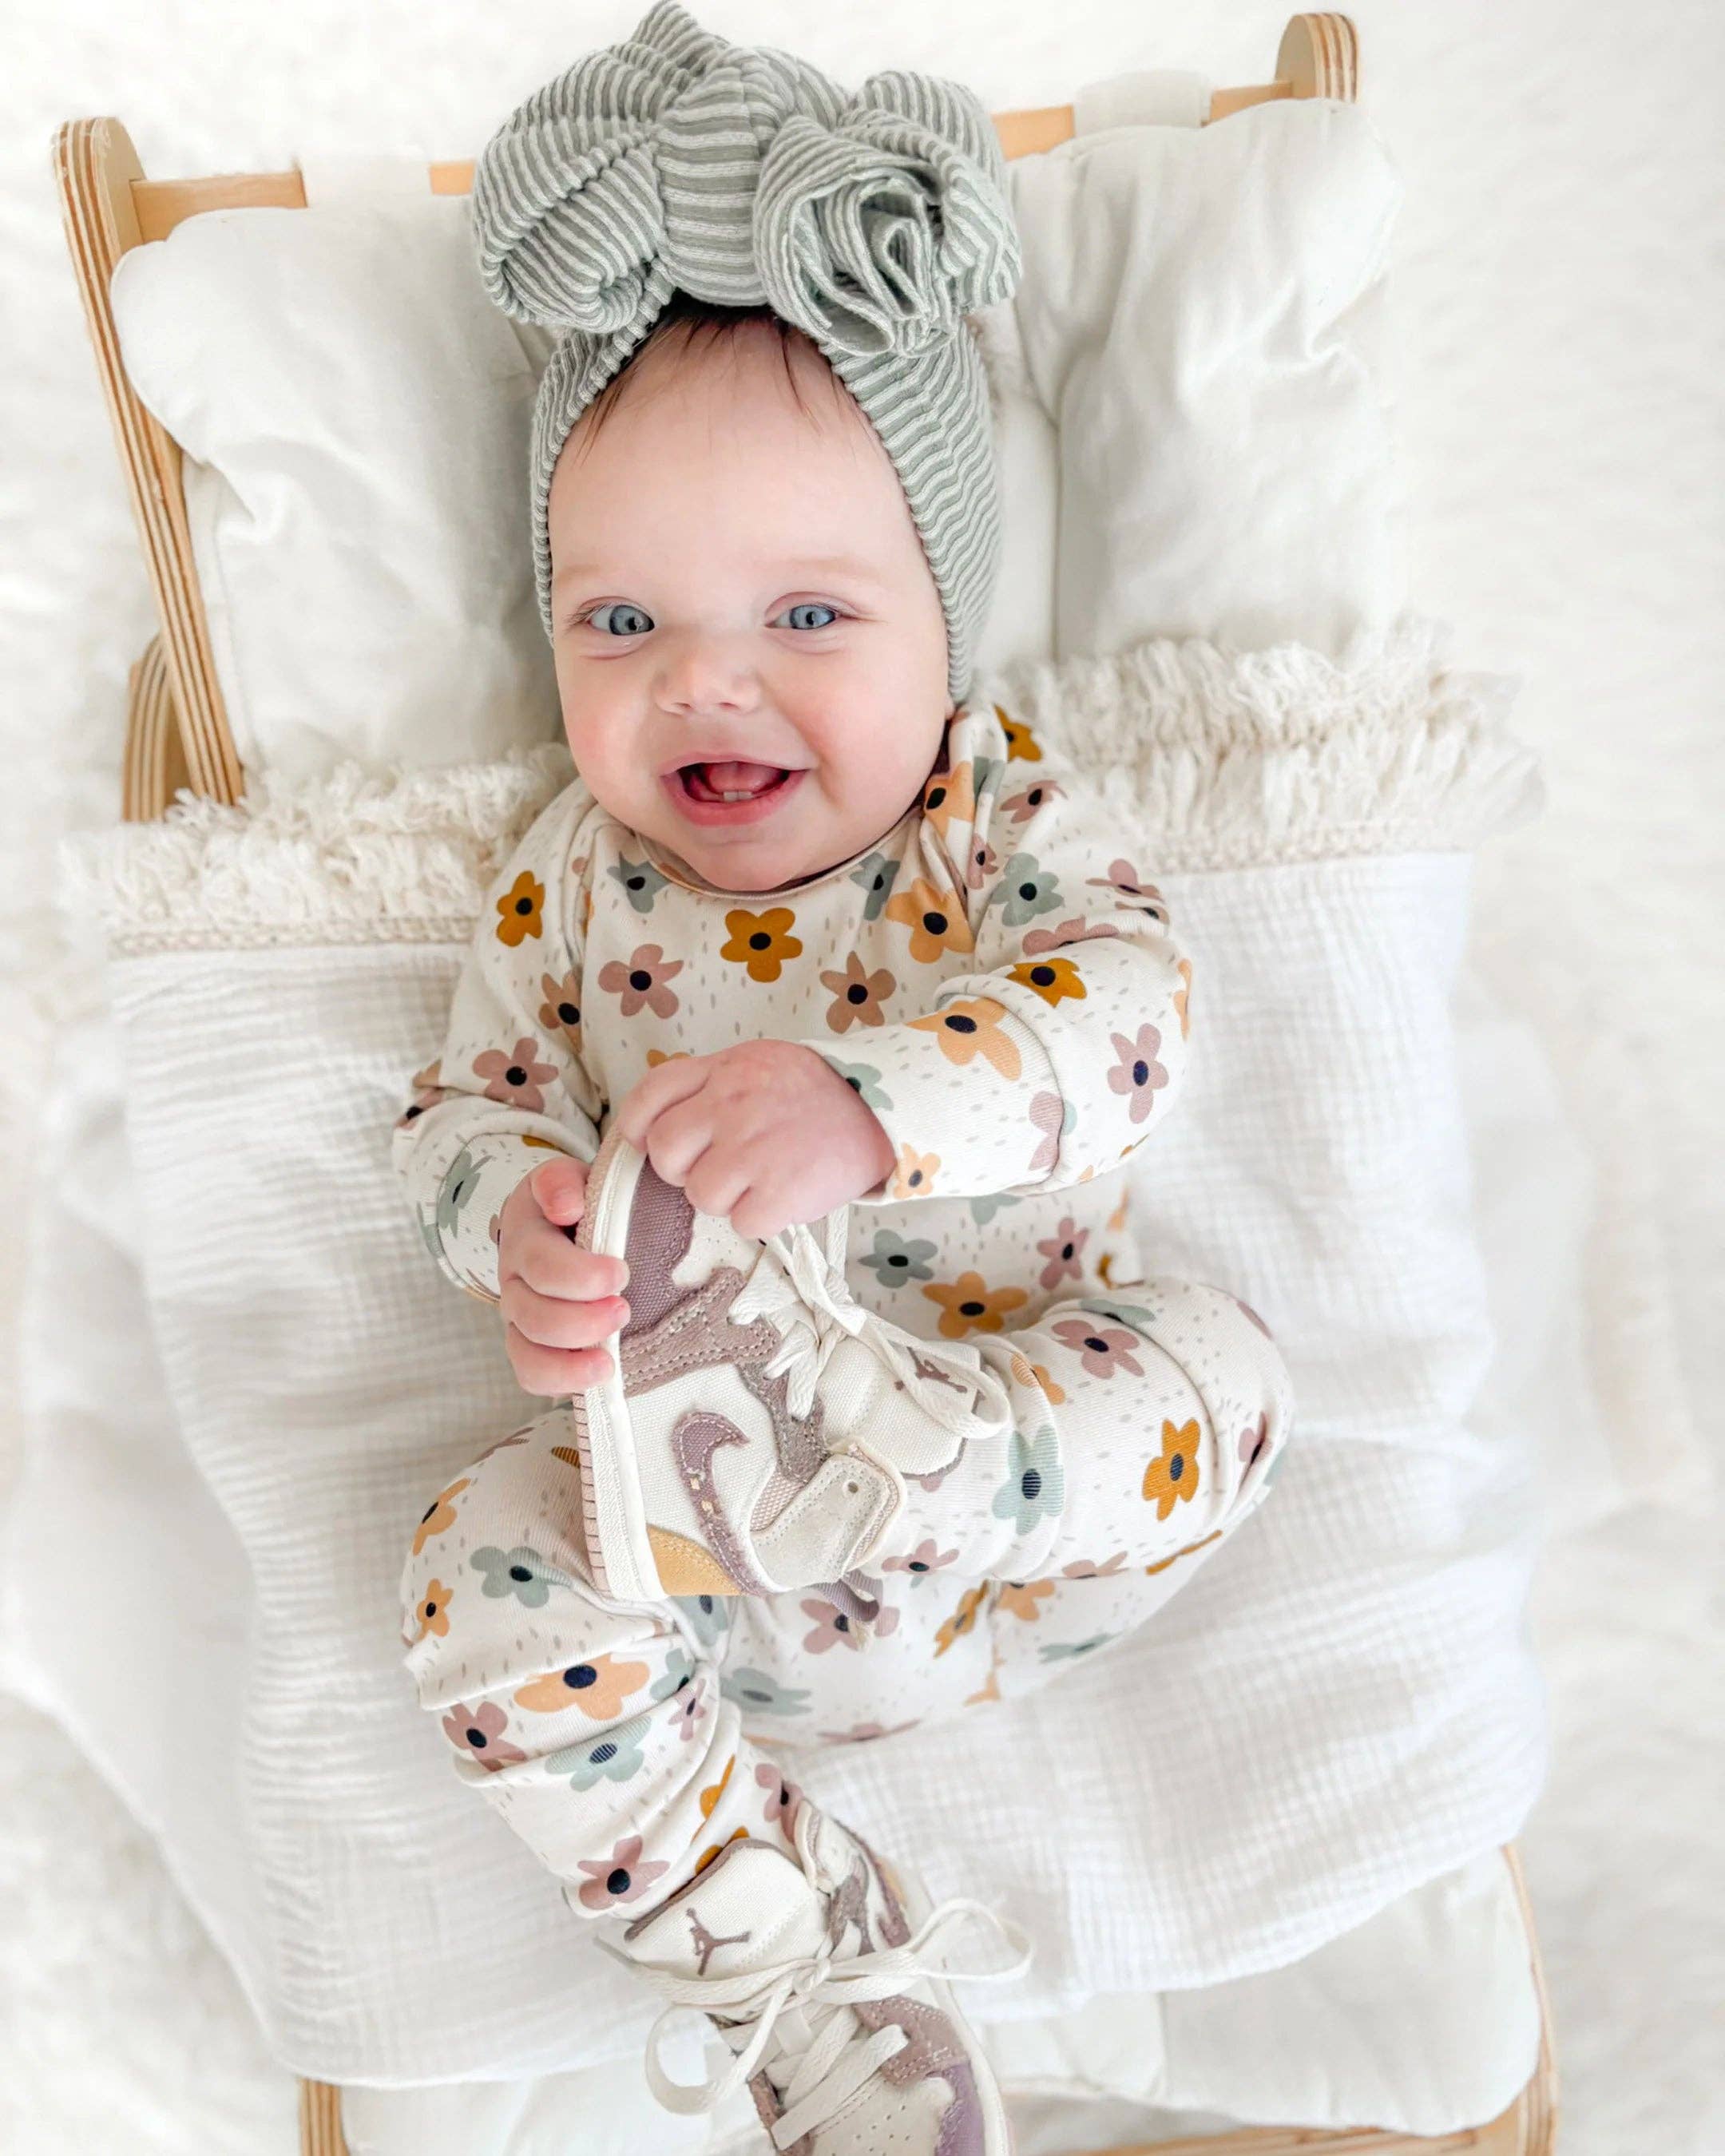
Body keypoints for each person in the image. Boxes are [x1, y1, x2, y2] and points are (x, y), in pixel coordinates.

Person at [393, 6, 1292, 2149]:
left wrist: (875, 1105)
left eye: (809, 614)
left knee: (1229, 1372)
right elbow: (460, 1109)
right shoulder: (570, 880)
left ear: (943, 628)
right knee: (463, 1566)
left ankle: (903, 1449)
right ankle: (798, 1969)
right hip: (703, 1581)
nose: (709, 682)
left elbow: (1131, 1006)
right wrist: (520, 1225)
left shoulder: (985, 815)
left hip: (1027, 1501)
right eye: (621, 624)